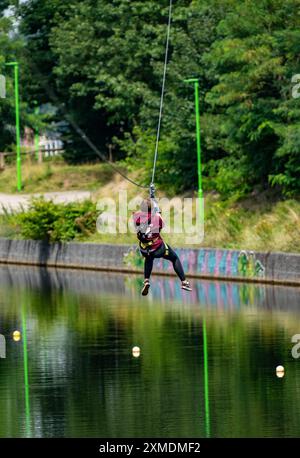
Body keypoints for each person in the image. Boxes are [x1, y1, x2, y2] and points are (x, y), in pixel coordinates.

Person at [133, 198, 192, 296]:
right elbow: (161, 222)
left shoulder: (136, 217)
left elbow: (143, 215)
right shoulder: (156, 218)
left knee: (149, 258)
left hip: (144, 249)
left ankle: (146, 280)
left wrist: (151, 202)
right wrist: (156, 208)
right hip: (157, 248)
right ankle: (184, 282)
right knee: (174, 258)